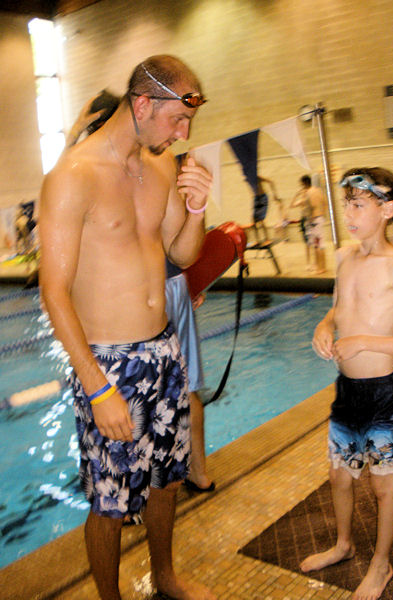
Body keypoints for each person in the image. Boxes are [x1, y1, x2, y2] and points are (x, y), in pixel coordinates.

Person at [39, 55, 216, 600]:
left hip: (164, 350)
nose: (183, 134)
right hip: (108, 363)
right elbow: (54, 292)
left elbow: (182, 255)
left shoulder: (160, 166)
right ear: (142, 104)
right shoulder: (73, 176)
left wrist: (196, 209)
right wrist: (97, 387)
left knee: (167, 480)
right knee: (110, 502)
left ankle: (164, 578)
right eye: (177, 120)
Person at [301, 167, 393, 600]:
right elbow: (339, 308)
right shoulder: (344, 258)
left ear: (388, 210)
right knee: (339, 477)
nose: (349, 214)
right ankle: (343, 544)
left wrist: (365, 342)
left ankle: (381, 565)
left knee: (382, 484)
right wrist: (325, 325)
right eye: (347, 204)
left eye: (358, 205)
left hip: (384, 393)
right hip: (348, 391)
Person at [165, 258, 215, 492]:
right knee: (187, 386)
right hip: (175, 282)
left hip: (135, 288)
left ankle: (136, 493)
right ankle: (199, 474)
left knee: (136, 388)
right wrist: (193, 282)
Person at [291, 174, 327, 274]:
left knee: (316, 245)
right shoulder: (318, 190)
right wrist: (322, 214)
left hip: (314, 220)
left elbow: (312, 206)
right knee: (321, 245)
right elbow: (325, 203)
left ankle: (319, 268)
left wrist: (310, 219)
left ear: (304, 183)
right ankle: (323, 266)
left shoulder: (309, 193)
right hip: (320, 218)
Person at [290, 175, 313, 270]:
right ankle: (309, 263)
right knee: (307, 243)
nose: (302, 188)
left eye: (302, 185)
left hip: (311, 219)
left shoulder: (311, 194)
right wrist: (296, 195)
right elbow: (292, 205)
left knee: (313, 243)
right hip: (304, 220)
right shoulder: (302, 199)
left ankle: (313, 262)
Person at [249, 175, 280, 245]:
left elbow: (271, 182)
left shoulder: (257, 177)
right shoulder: (249, 178)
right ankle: (257, 240)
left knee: (261, 220)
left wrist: (275, 195)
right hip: (256, 199)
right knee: (253, 220)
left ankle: (267, 239)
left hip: (262, 198)